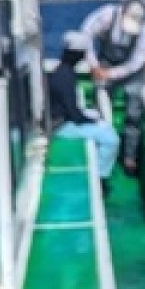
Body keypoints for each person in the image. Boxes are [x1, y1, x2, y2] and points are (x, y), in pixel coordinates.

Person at [79, 0, 145, 176]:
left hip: (131, 72)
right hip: (105, 63)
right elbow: (86, 35)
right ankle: (101, 149)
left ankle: (129, 158)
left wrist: (111, 74)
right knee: (102, 109)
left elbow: (137, 61)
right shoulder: (106, 15)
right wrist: (94, 64)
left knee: (133, 114)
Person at [47, 31, 120, 195]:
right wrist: (93, 121)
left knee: (100, 123)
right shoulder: (65, 77)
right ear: (78, 55)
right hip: (61, 126)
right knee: (111, 140)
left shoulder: (61, 72)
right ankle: (100, 178)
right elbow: (75, 116)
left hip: (60, 120)